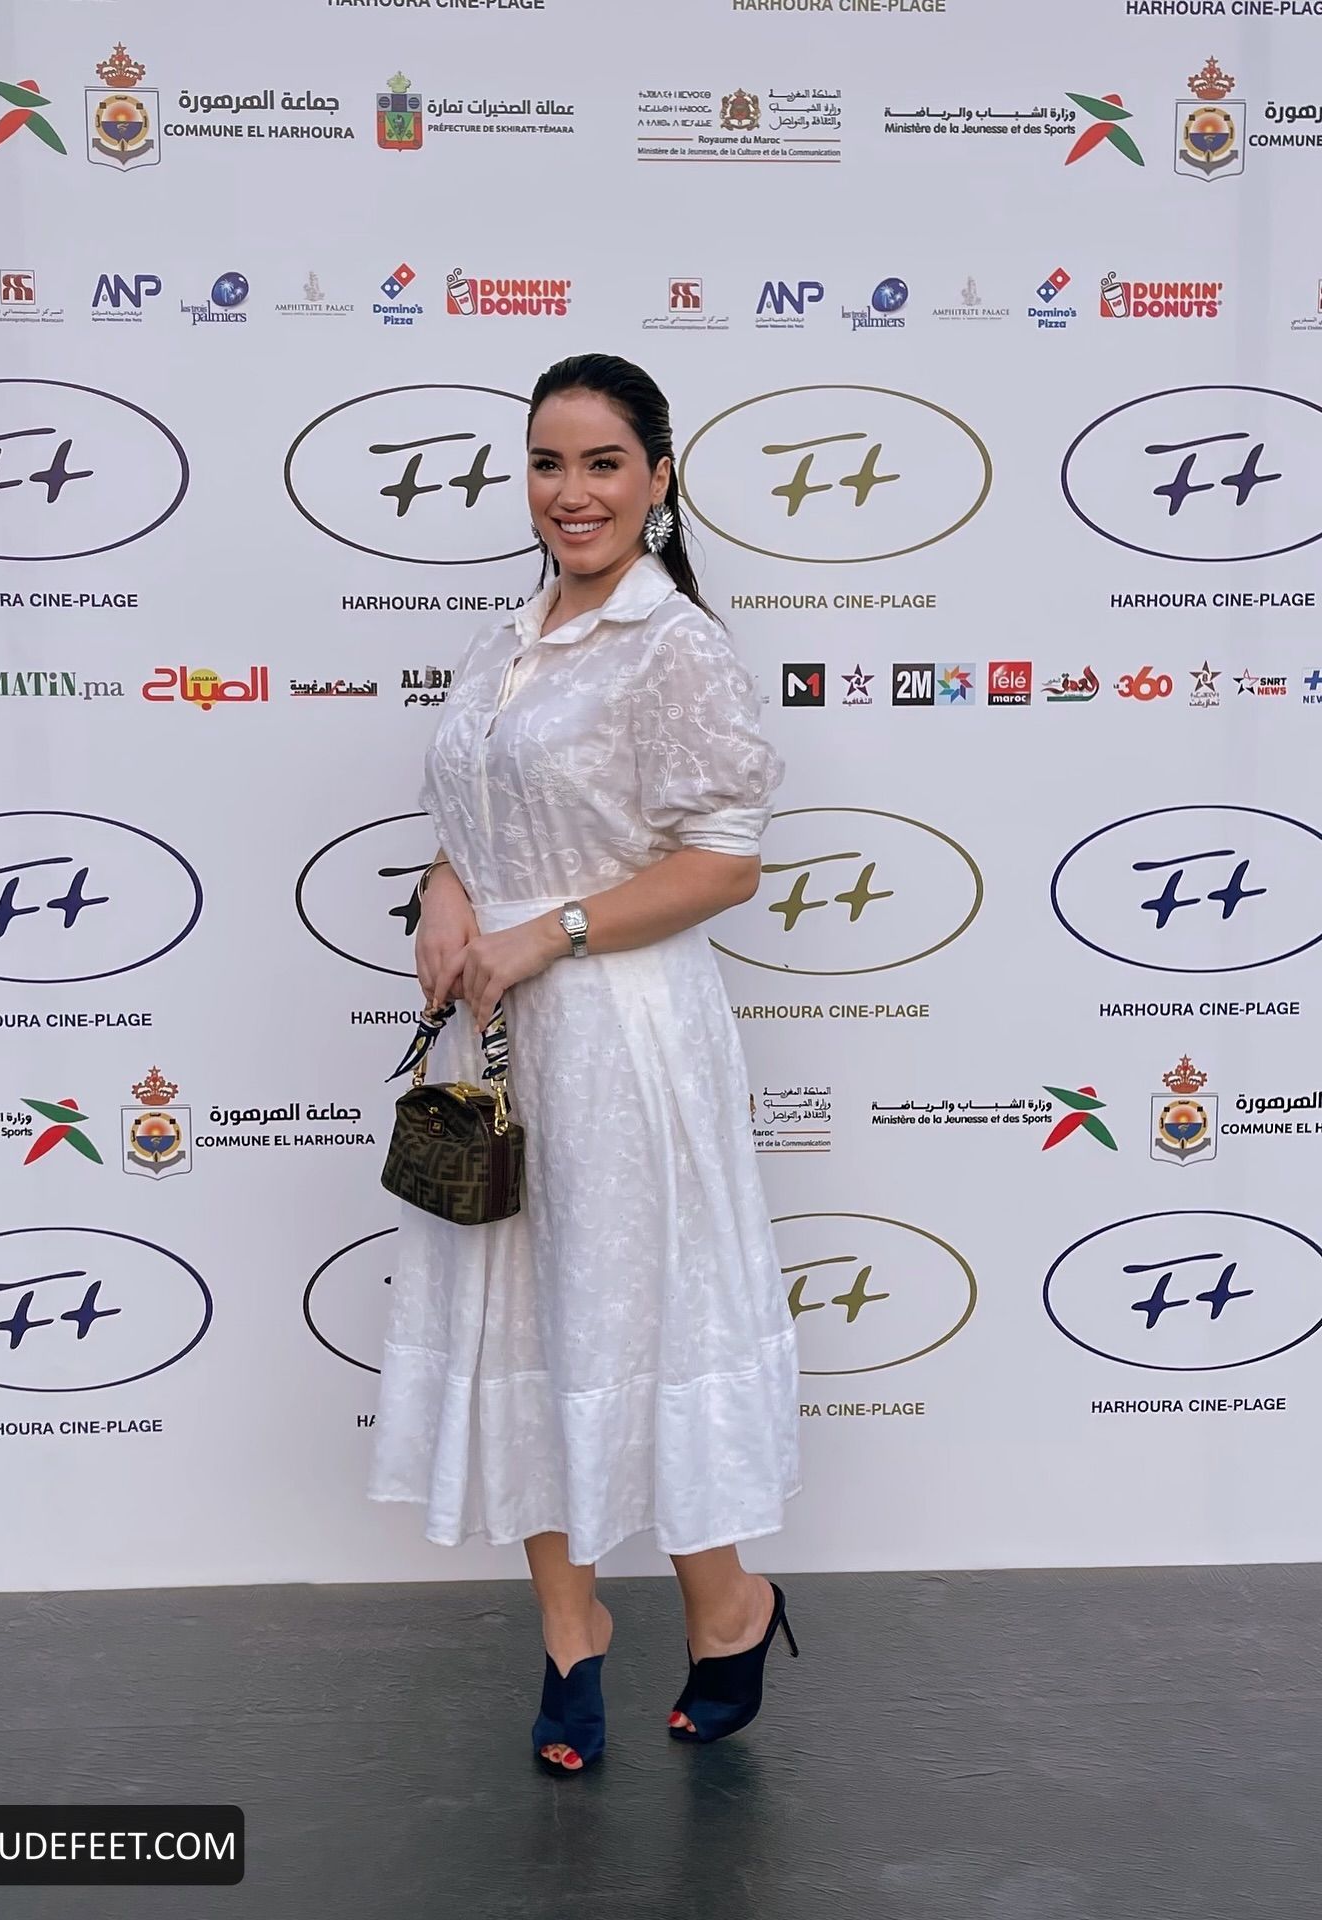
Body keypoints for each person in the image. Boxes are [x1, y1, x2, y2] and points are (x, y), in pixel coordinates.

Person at [365, 352, 802, 1772]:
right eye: (549, 463)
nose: (573, 491)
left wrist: (545, 929)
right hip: (501, 1036)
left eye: (604, 463)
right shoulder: (508, 636)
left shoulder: (674, 646)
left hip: (622, 1034)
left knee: (640, 1319)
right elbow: (471, 817)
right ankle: (572, 1631)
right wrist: (444, 892)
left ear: (658, 479)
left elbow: (724, 863)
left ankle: (727, 1605)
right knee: (526, 1324)